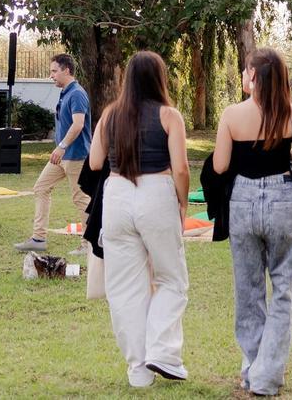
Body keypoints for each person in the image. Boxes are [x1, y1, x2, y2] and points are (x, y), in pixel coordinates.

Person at [212, 48, 292, 398]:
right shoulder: (290, 112)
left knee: (249, 290)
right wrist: (288, 150)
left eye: (246, 71)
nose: (243, 75)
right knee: (283, 289)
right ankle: (267, 375)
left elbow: (221, 165)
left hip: (242, 200)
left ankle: (251, 368)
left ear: (254, 77)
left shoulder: (231, 114)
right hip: (283, 201)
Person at [89, 50, 190, 389]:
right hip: (156, 192)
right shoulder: (169, 115)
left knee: (124, 288)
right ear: (159, 78)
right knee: (171, 279)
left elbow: (93, 162)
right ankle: (161, 351)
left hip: (117, 195)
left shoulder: (110, 115)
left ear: (127, 79)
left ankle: (138, 370)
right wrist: (181, 202)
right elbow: (180, 168)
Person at [15, 53, 92, 253]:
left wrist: (62, 146)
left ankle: (89, 244)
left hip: (76, 155)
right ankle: (39, 239)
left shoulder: (77, 93)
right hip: (62, 156)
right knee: (41, 187)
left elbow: (78, 124)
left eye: (54, 71)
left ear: (67, 70)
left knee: (81, 198)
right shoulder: (65, 92)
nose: (51, 76)